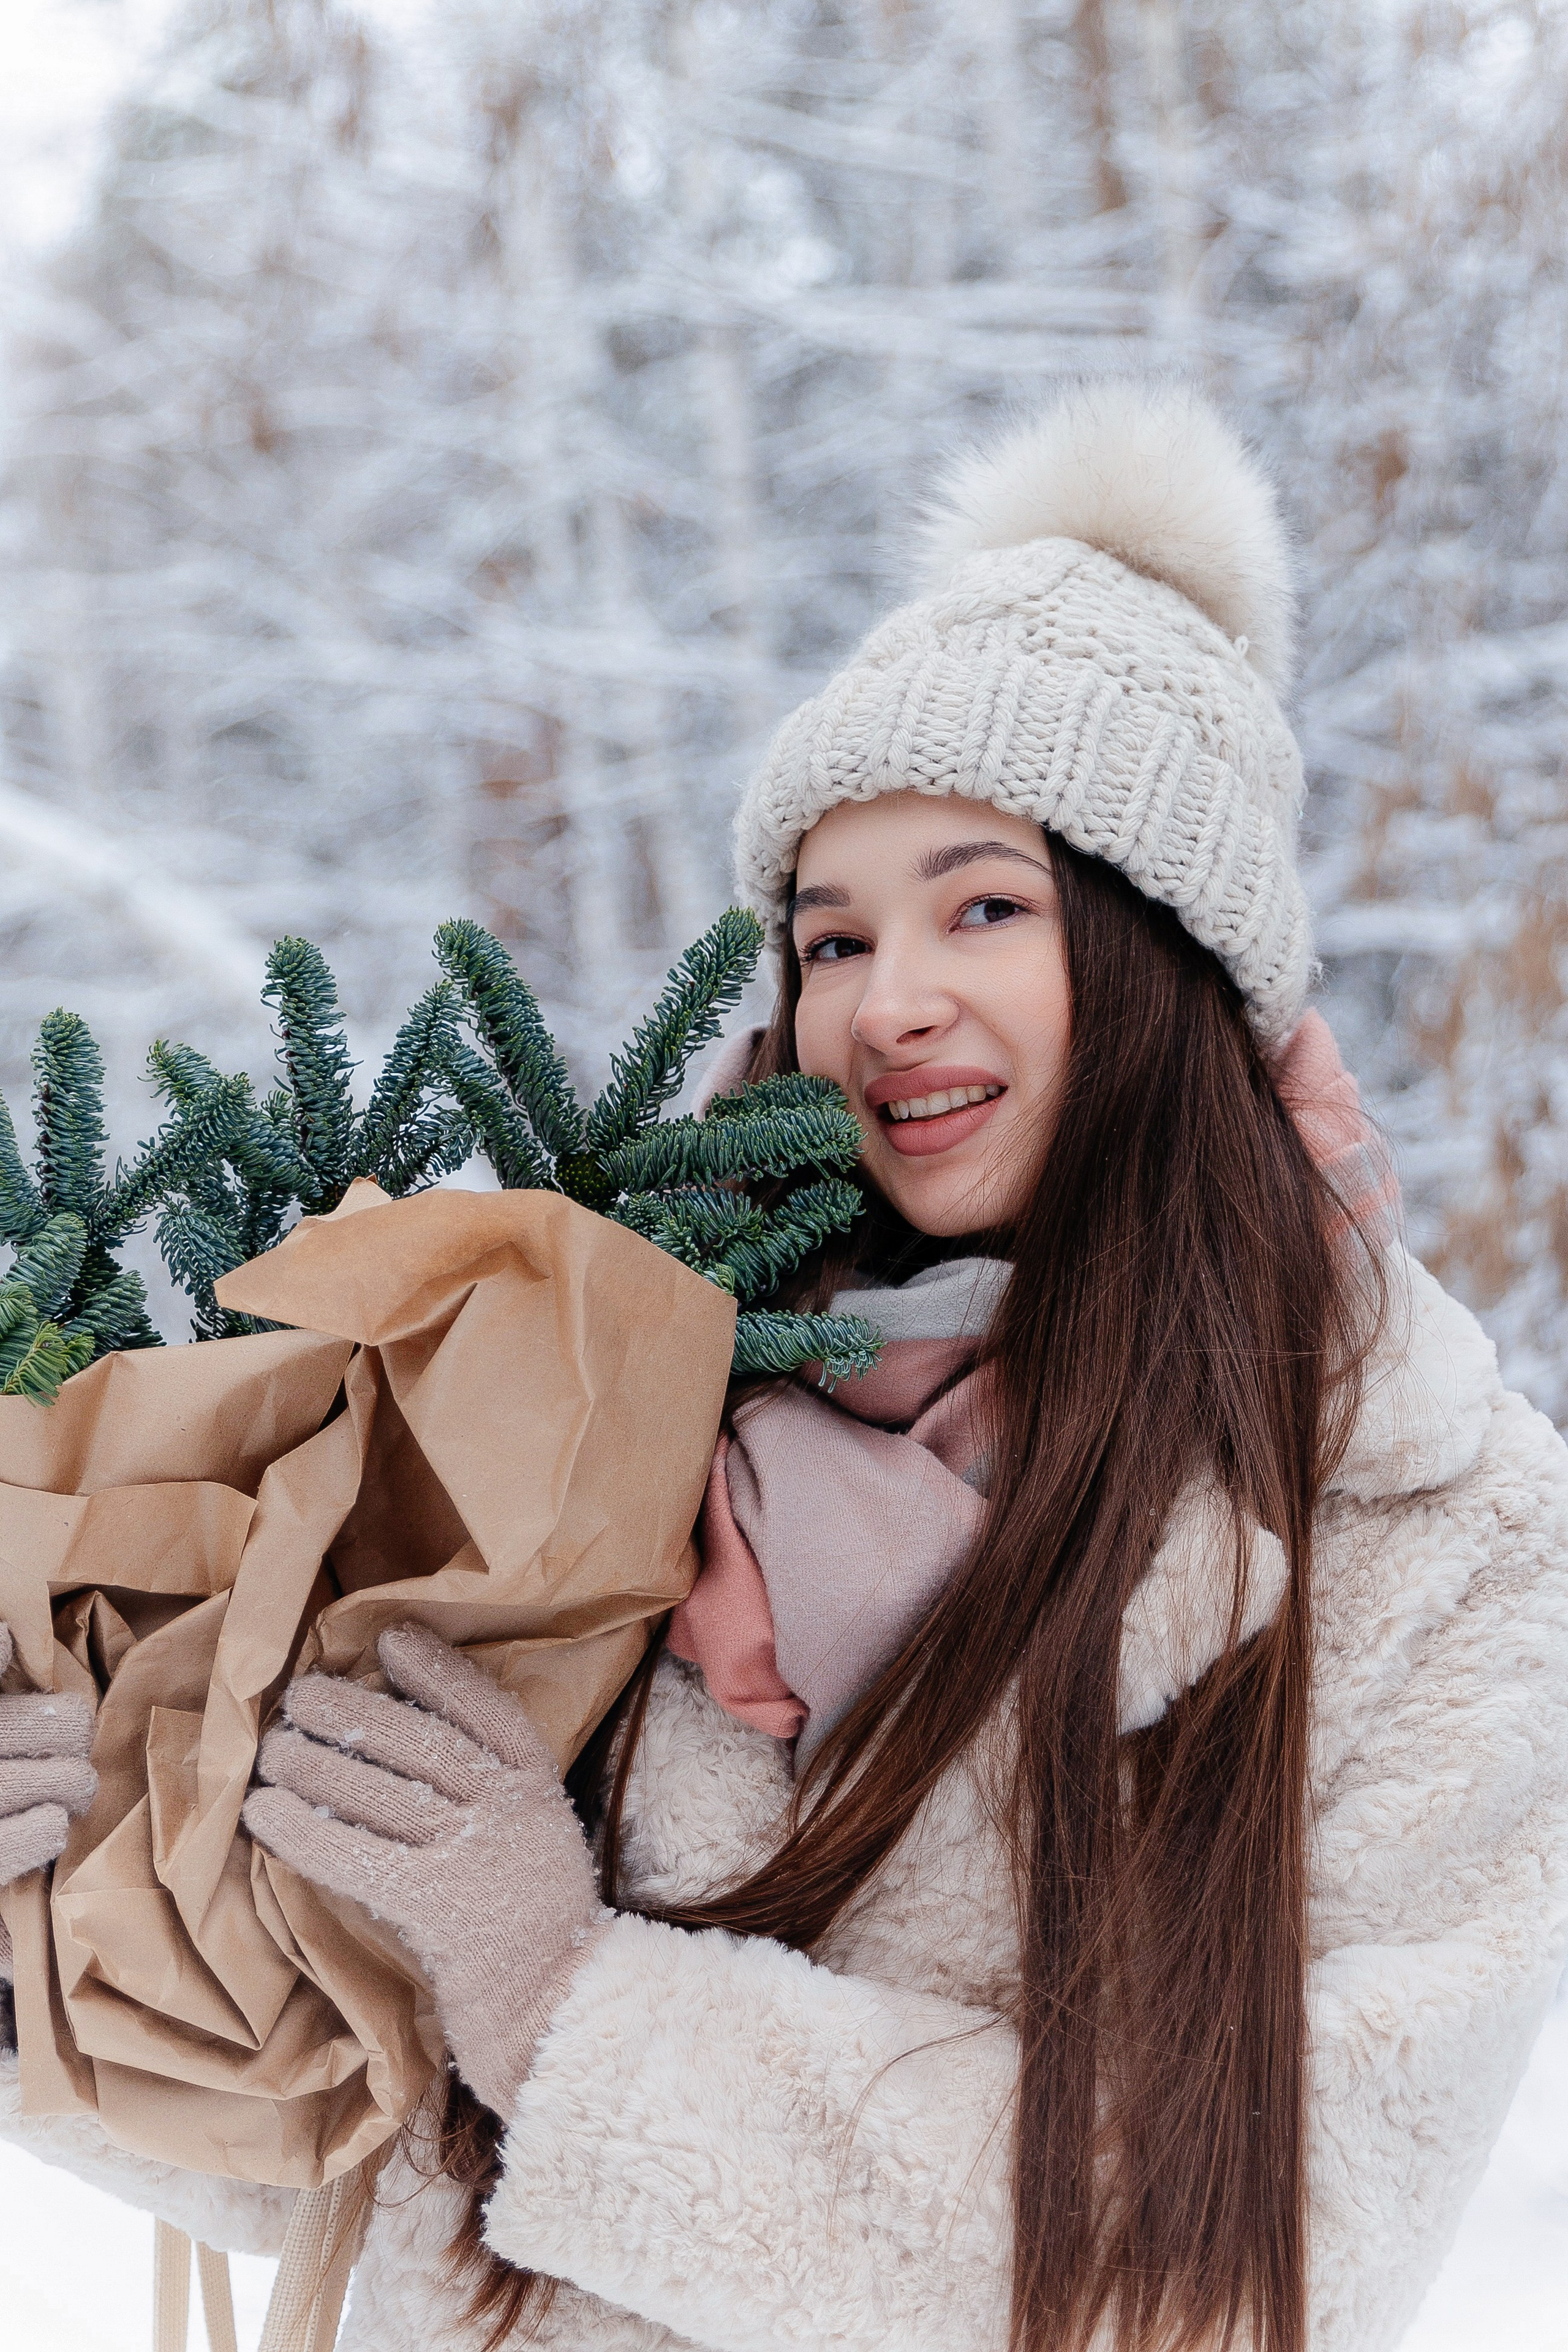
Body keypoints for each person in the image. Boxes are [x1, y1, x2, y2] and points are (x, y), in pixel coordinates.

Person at [2, 379, 1567, 2352]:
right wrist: (67, 1934)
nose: (887, 1001)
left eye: (983, 908)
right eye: (830, 940)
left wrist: (575, 2010)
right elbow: (362, 2145)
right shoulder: (643, 1413)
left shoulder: (1439, 1540)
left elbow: (1272, 2264)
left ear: (1172, 956)